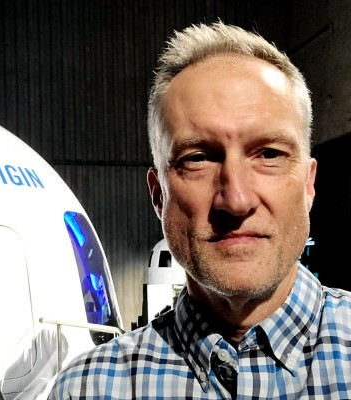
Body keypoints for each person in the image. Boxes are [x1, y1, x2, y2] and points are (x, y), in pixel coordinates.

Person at [48, 21, 351, 399]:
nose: (236, 200)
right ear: (158, 195)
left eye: (269, 154)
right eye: (198, 159)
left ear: (308, 184)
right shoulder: (88, 390)